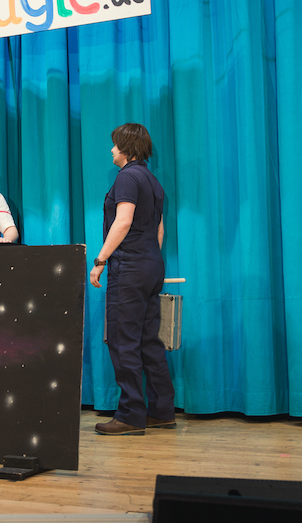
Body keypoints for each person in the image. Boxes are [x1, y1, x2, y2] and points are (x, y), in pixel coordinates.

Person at [89, 123, 174, 435]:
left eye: (115, 145)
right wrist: (148, 259)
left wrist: (101, 260)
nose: (111, 150)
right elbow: (159, 230)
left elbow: (123, 222)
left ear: (126, 148)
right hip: (151, 265)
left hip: (129, 268)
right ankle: (162, 412)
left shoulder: (127, 177)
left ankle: (130, 415)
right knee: (149, 341)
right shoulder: (153, 181)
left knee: (123, 341)